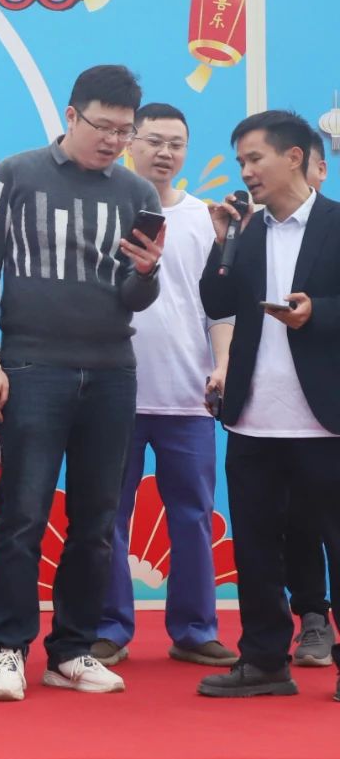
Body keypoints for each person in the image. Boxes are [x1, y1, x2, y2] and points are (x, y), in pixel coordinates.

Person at [0, 65, 165, 701]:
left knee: (97, 521)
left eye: (124, 131)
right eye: (103, 126)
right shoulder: (15, 175)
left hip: (112, 370)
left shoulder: (138, 192)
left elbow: (135, 296)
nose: (113, 140)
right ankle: (6, 648)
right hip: (31, 366)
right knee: (23, 515)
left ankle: (72, 651)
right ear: (71, 116)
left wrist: (148, 273)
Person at [197, 110, 340, 698]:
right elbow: (217, 302)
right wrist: (222, 242)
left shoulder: (336, 222)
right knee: (255, 546)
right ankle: (263, 660)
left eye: (255, 159)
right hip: (254, 418)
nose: (246, 172)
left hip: (326, 421)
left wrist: (317, 312)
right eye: (240, 162)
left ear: (295, 157)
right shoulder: (247, 231)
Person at [93, 103, 237, 668]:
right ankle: (110, 627)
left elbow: (219, 309)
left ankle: (196, 629)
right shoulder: (107, 209)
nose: (164, 152)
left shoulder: (205, 219)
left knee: (193, 516)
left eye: (176, 143)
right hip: (113, 393)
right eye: (153, 140)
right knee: (108, 516)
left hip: (188, 396)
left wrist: (221, 365)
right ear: (130, 142)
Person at [284, 130, 335, 668]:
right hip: (286, 412)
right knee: (296, 521)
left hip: (332, 404)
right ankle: (312, 619)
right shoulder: (258, 230)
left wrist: (319, 310)